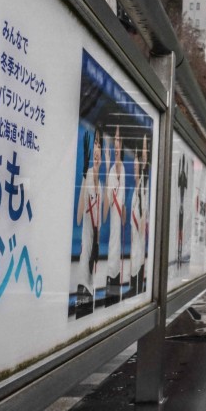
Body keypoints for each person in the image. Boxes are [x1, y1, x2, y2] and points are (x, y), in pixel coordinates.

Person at [73, 129, 101, 317]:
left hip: (94, 262)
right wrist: (84, 177)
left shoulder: (102, 182)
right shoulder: (88, 175)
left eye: (99, 144)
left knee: (89, 315)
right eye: (95, 144)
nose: (97, 148)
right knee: (82, 313)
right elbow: (78, 217)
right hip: (85, 265)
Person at [104, 126, 125, 304]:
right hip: (113, 219)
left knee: (115, 249)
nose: (116, 142)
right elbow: (108, 200)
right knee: (112, 247)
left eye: (119, 140)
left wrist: (112, 158)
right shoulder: (112, 168)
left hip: (117, 221)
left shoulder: (119, 167)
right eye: (115, 139)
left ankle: (113, 291)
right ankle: (111, 290)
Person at [129, 134, 149, 296]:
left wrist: (144, 142)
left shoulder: (144, 187)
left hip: (140, 236)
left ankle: (138, 287)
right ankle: (133, 286)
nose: (135, 168)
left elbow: (145, 161)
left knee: (138, 256)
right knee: (133, 257)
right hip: (134, 236)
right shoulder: (134, 191)